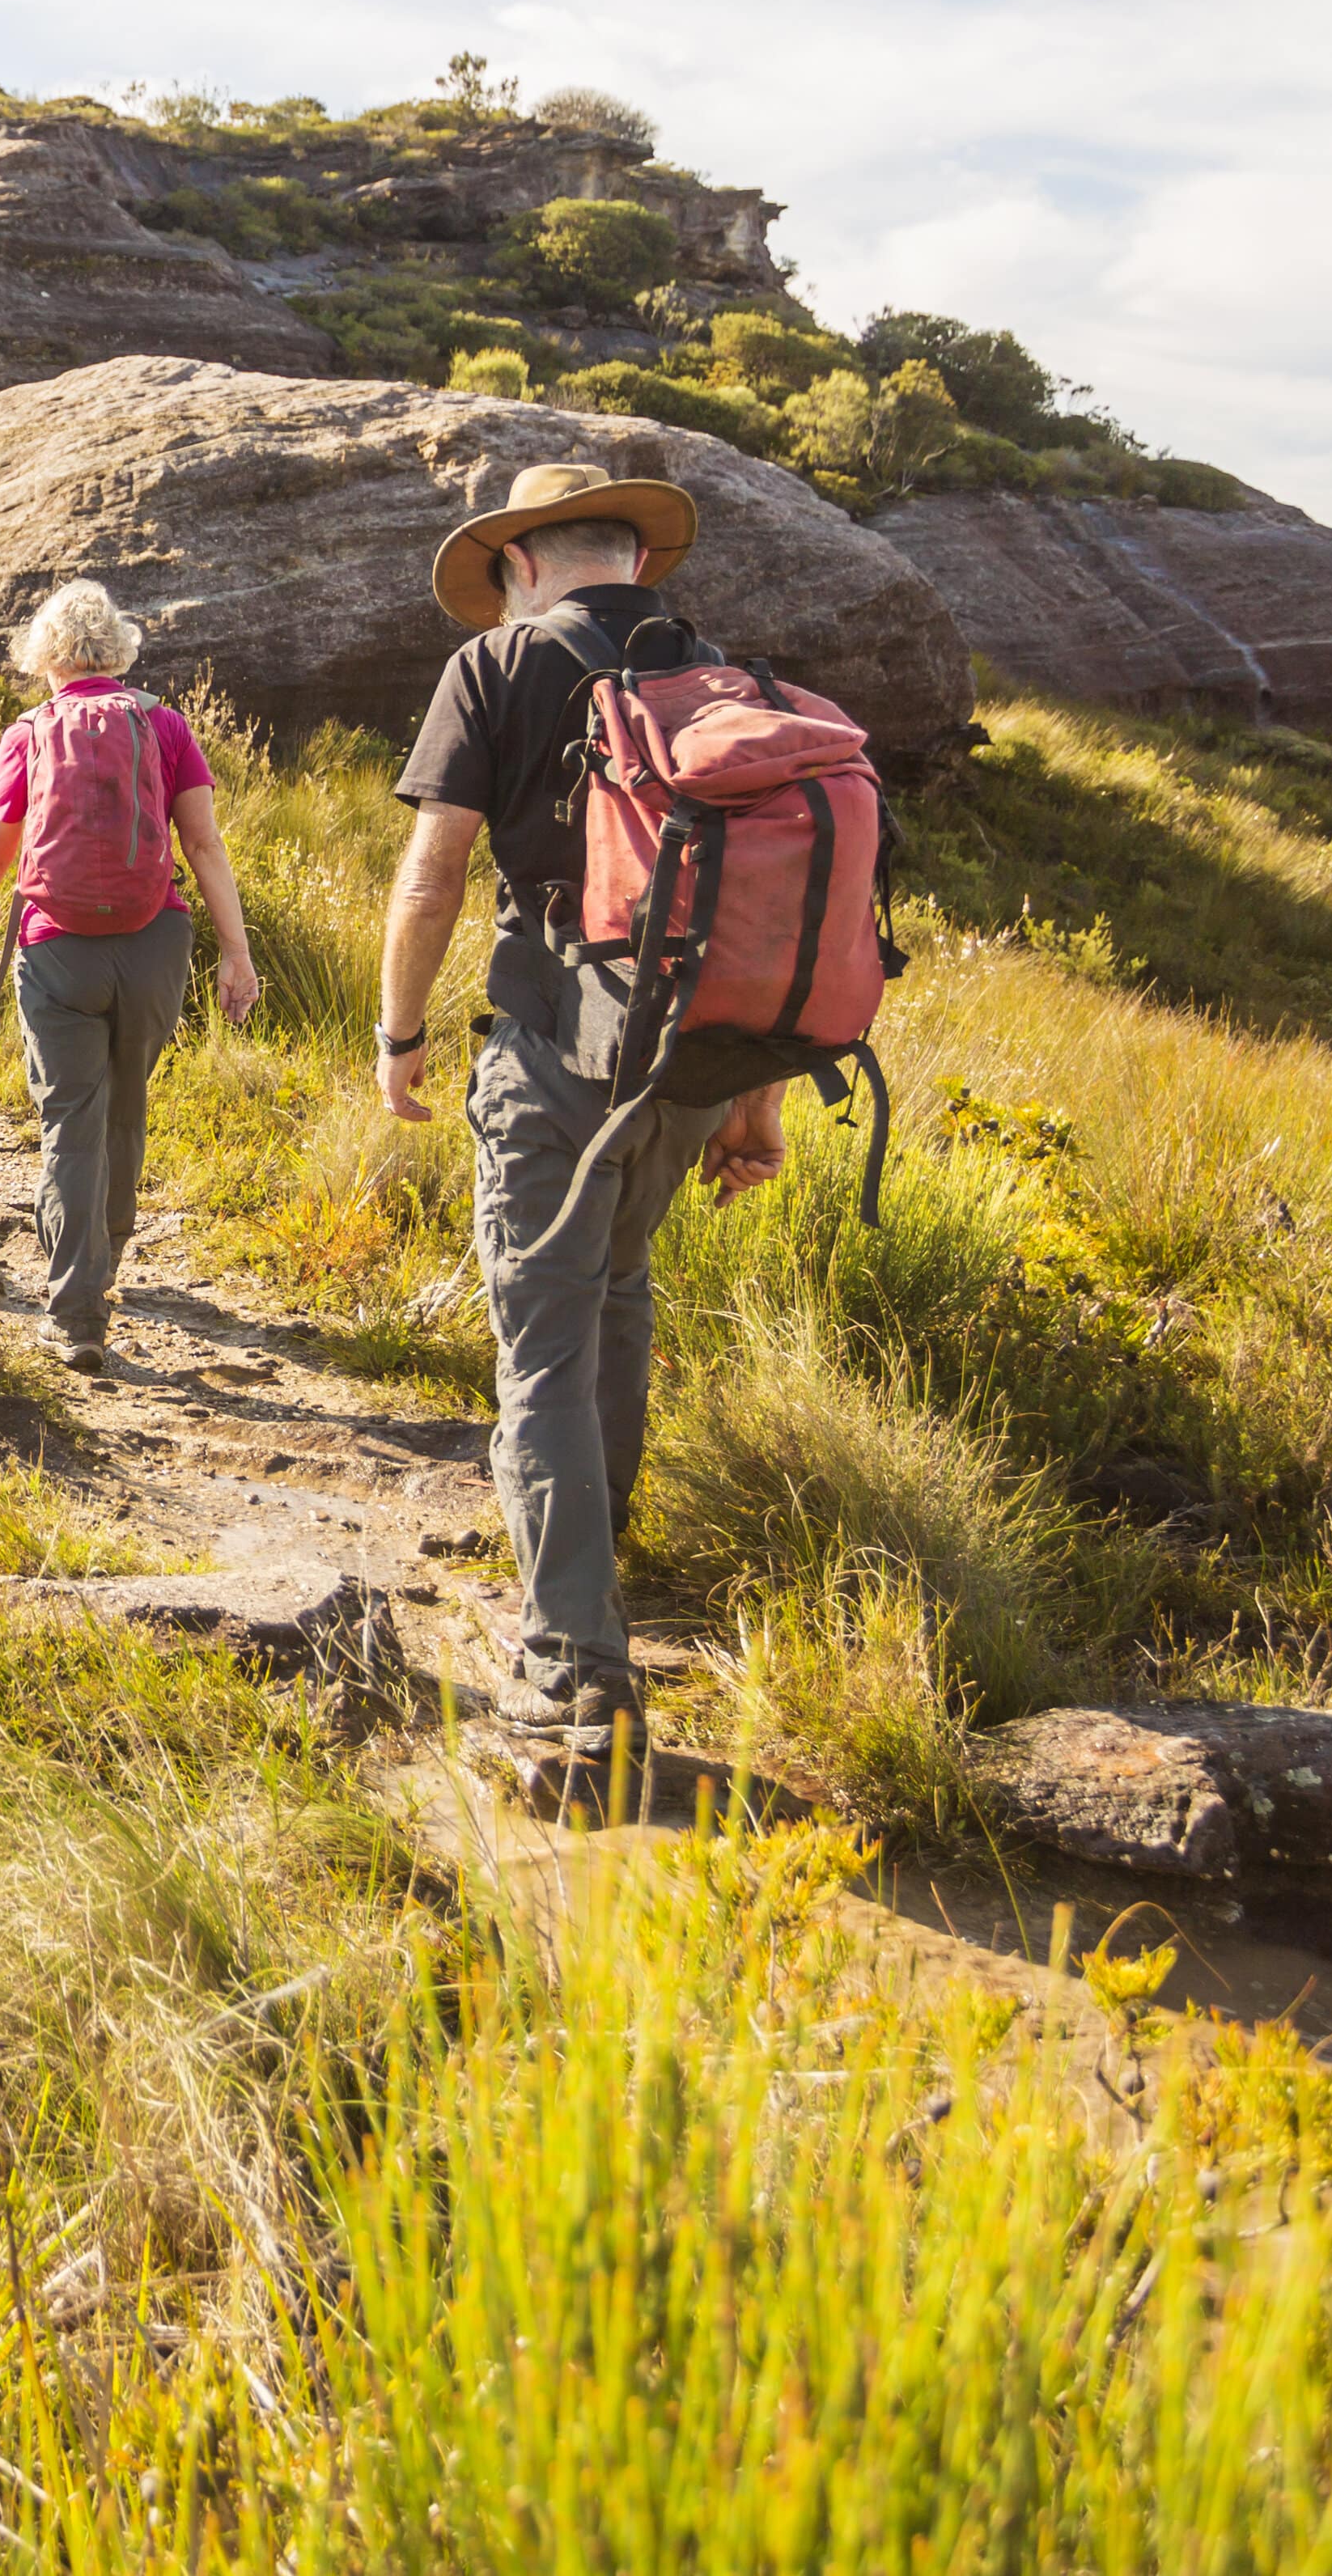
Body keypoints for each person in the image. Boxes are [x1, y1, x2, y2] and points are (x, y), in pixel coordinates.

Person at [375, 464, 791, 1739]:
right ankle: (594, 1572)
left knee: (543, 1339)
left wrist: (399, 1032)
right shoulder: (722, 679)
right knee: (617, 1297)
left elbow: (435, 872)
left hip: (555, 1048)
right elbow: (765, 911)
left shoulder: (495, 669)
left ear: (520, 564)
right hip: (695, 1063)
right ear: (634, 557)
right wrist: (755, 1101)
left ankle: (572, 1660)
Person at [0, 580, 263, 1376]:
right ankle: (106, 1261)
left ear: (47, 656)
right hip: (152, 944)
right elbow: (203, 847)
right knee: (124, 1107)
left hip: (57, 946)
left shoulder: (27, 730)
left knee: (71, 1121)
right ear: (121, 651)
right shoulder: (163, 724)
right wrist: (237, 953)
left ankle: (77, 1313)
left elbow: (0, 838)